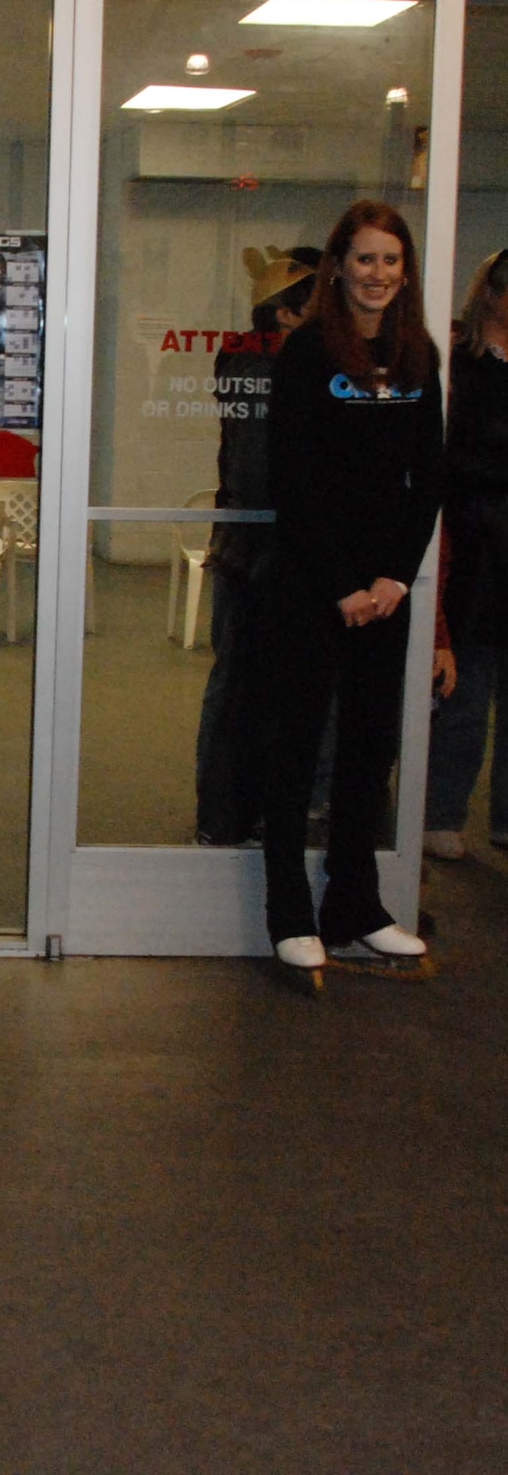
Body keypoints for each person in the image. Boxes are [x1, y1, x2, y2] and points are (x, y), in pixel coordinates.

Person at [260, 200, 442, 976]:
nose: (378, 274)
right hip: (312, 582)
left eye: (390, 260)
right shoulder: (306, 355)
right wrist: (341, 585)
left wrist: (394, 575)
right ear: (338, 266)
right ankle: (289, 913)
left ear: (406, 271)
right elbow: (292, 481)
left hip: (385, 588)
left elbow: (427, 476)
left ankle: (355, 906)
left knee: (370, 750)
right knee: (295, 745)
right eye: (364, 259)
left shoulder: (417, 354)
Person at [195, 246, 320, 845]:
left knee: (257, 682)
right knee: (242, 681)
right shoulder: (264, 363)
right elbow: (255, 466)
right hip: (257, 546)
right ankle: (226, 813)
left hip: (255, 543)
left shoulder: (263, 359)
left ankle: (243, 809)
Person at [424, 249, 508, 859]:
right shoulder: (458, 365)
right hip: (475, 547)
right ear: (491, 295)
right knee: (465, 691)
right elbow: (445, 459)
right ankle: (441, 813)